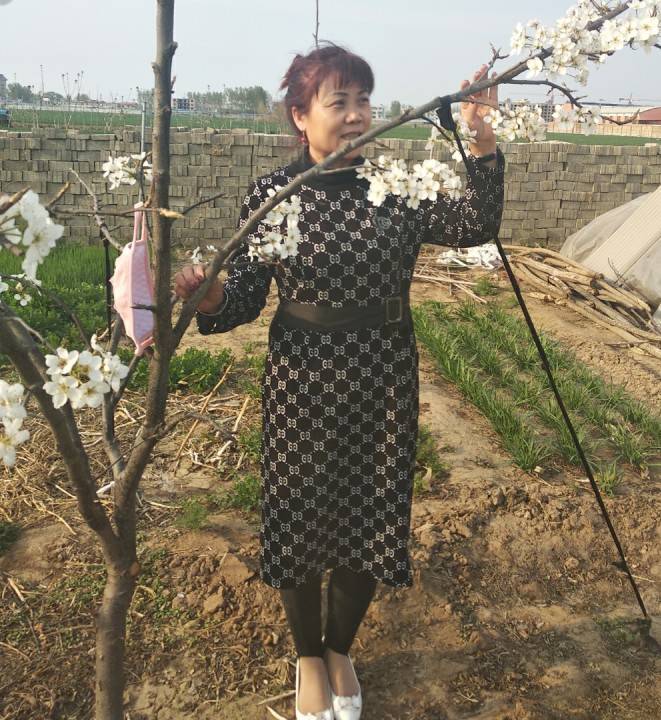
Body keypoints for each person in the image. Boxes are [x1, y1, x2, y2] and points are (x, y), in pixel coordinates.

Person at [174, 43, 503, 720]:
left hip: (384, 374)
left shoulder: (396, 186)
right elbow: (246, 298)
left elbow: (478, 224)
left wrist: (480, 136)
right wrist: (212, 298)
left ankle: (339, 649)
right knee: (300, 514)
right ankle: (306, 657)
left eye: (364, 100)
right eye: (339, 101)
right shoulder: (274, 195)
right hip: (304, 377)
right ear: (301, 116)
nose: (357, 114)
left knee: (370, 514)